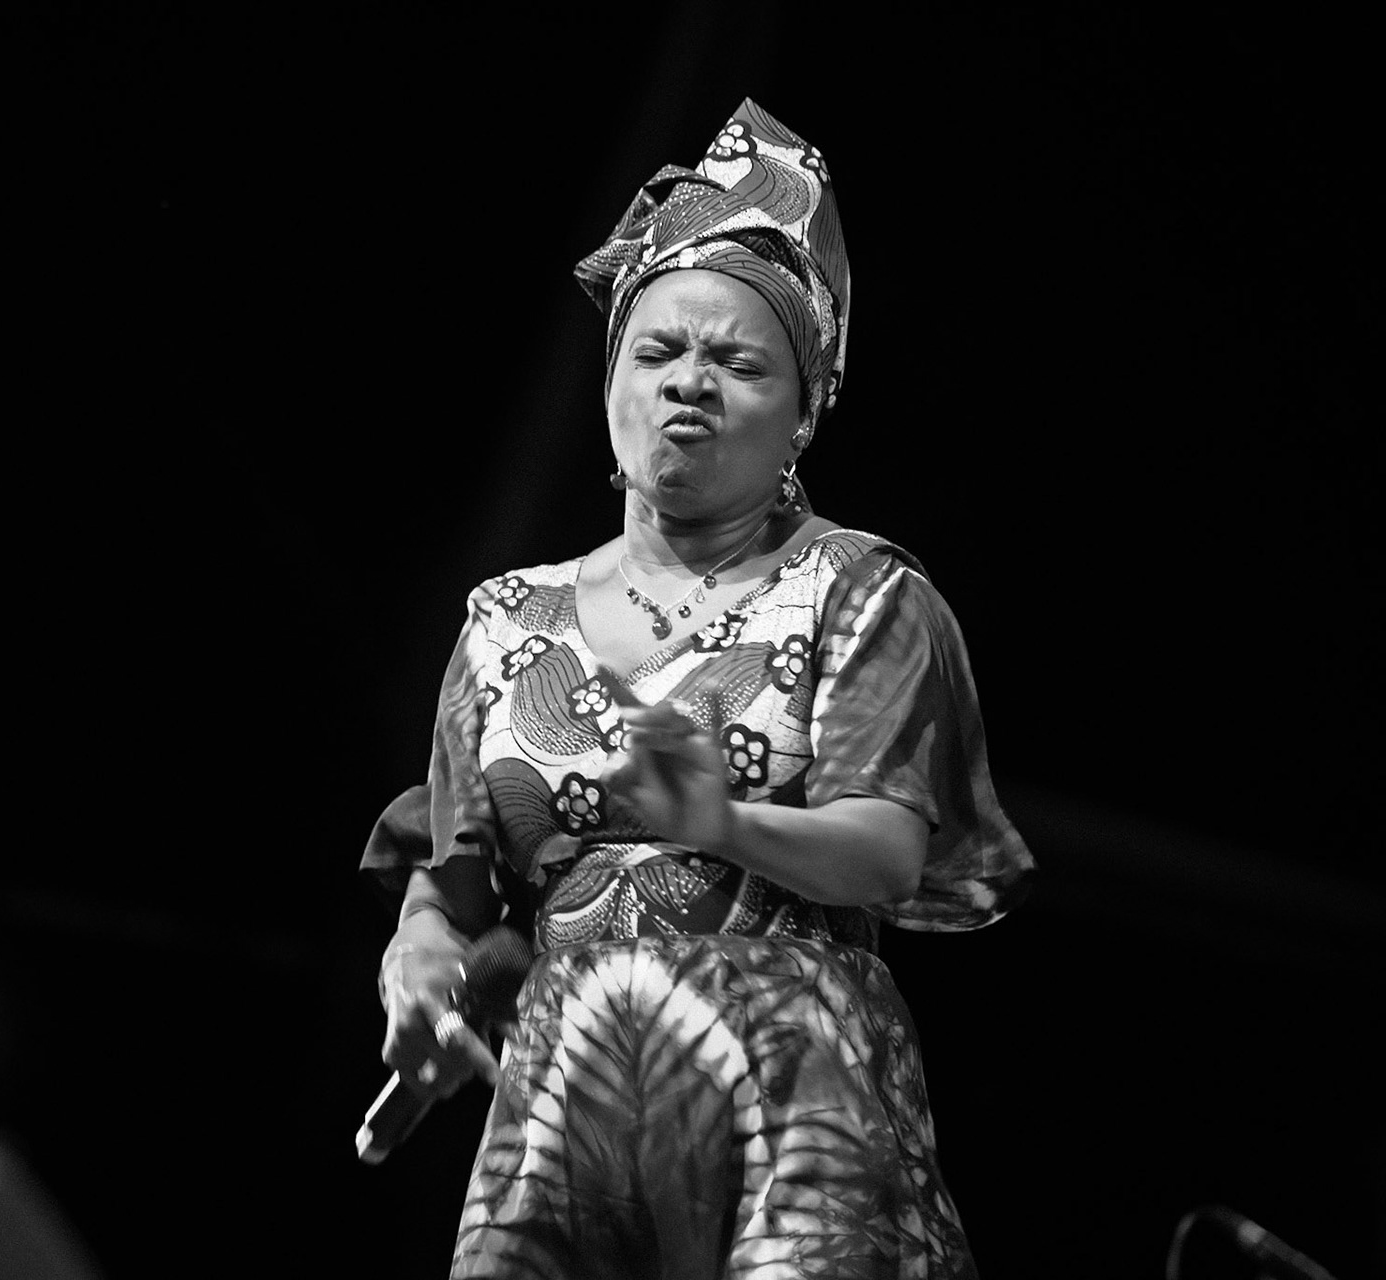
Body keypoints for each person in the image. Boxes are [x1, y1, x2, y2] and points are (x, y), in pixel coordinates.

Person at [360, 95, 1036, 1279]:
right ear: (613, 383)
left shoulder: (860, 591)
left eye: (738, 362)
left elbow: (883, 850)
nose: (690, 384)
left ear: (805, 411)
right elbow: (451, 884)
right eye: (659, 351)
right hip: (570, 1084)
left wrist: (716, 823)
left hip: (790, 1080)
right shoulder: (507, 619)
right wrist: (418, 966)